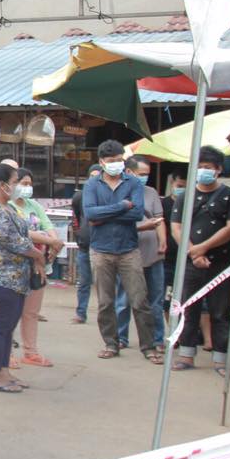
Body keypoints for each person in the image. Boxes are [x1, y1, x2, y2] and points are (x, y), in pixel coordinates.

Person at [170, 146, 230, 375]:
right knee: (188, 308)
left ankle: (221, 360)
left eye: (208, 167)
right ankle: (186, 355)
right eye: (199, 167)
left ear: (218, 169)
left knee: (220, 312)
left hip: (221, 263)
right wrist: (193, 252)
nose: (203, 171)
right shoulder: (185, 196)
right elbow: (176, 227)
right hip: (191, 262)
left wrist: (203, 248)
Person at [0, 163, 44, 393]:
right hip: (1, 277)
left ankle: (3, 371)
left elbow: (22, 238)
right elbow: (14, 242)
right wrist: (38, 254)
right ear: (3, 185)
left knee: (7, 328)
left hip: (17, 278)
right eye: (15, 182)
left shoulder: (8, 208)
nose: (18, 187)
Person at [82, 140, 154, 360]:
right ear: (102, 161)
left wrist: (104, 214)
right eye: (111, 160)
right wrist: (122, 206)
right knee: (105, 303)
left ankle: (148, 347)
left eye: (119, 160)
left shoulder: (133, 183)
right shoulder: (92, 185)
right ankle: (111, 344)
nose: (116, 164)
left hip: (128, 249)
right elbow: (90, 214)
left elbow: (137, 213)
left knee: (140, 301)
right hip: (100, 250)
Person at [8, 168, 64, 369]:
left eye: (29, 184)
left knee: (31, 312)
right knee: (10, 312)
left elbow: (48, 226)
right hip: (15, 266)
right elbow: (22, 233)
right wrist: (50, 241)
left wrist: (54, 242)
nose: (27, 188)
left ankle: (31, 352)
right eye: (23, 183)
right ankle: (6, 353)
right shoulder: (7, 207)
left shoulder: (34, 206)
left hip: (38, 266)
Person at [114, 157, 166, 358]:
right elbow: (116, 225)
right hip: (127, 254)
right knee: (124, 300)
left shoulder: (151, 193)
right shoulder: (118, 193)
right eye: (141, 174)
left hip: (153, 254)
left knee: (156, 300)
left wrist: (163, 241)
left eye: (147, 174)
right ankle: (120, 337)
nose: (144, 178)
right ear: (129, 172)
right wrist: (144, 226)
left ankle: (157, 339)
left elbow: (159, 220)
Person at [69, 164, 103, 323]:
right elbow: (76, 218)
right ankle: (81, 313)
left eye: (98, 176)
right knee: (84, 282)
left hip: (104, 247)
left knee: (105, 284)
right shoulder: (79, 197)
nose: (94, 179)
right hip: (85, 246)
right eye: (92, 176)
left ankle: (106, 316)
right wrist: (79, 235)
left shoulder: (107, 197)